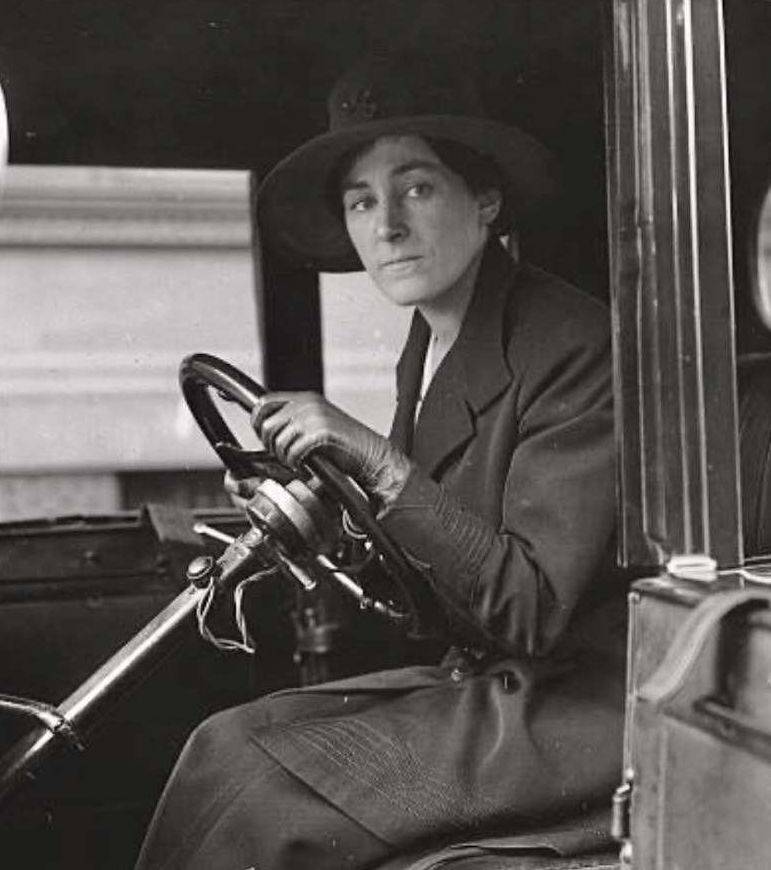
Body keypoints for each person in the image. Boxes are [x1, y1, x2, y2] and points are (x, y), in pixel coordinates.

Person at [134, 60, 628, 870]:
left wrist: (377, 460)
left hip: (577, 709)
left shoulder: (572, 343)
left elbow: (531, 609)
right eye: (361, 201)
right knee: (220, 744)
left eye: (416, 188)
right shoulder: (432, 340)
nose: (387, 226)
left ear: (485, 201)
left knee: (263, 787)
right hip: (496, 682)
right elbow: (435, 561)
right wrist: (329, 522)